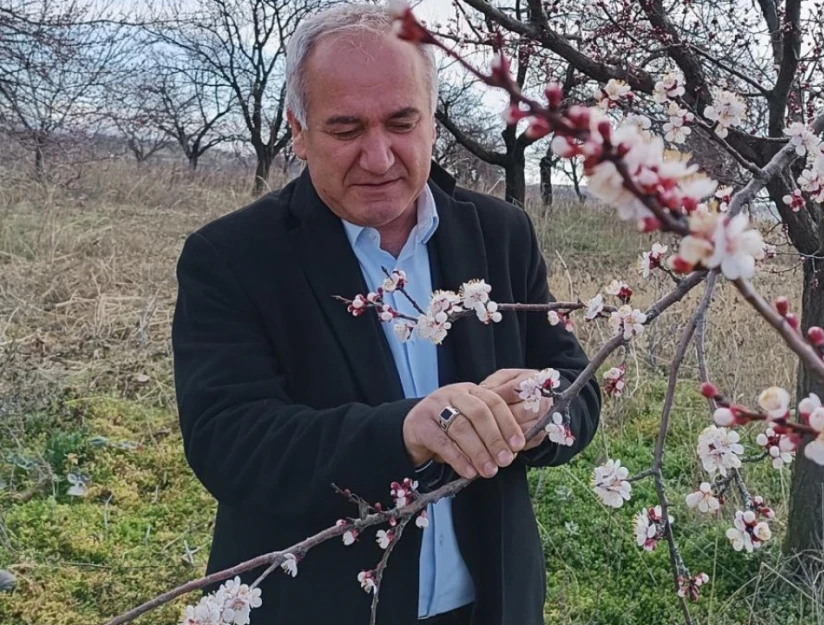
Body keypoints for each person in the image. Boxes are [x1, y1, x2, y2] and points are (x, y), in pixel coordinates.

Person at [169, 4, 601, 625]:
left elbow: (574, 386)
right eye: (345, 130)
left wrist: (540, 414)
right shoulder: (231, 258)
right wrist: (405, 434)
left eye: (402, 122)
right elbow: (230, 443)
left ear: (433, 122)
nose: (378, 158)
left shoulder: (502, 234)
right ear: (298, 129)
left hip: (493, 605)